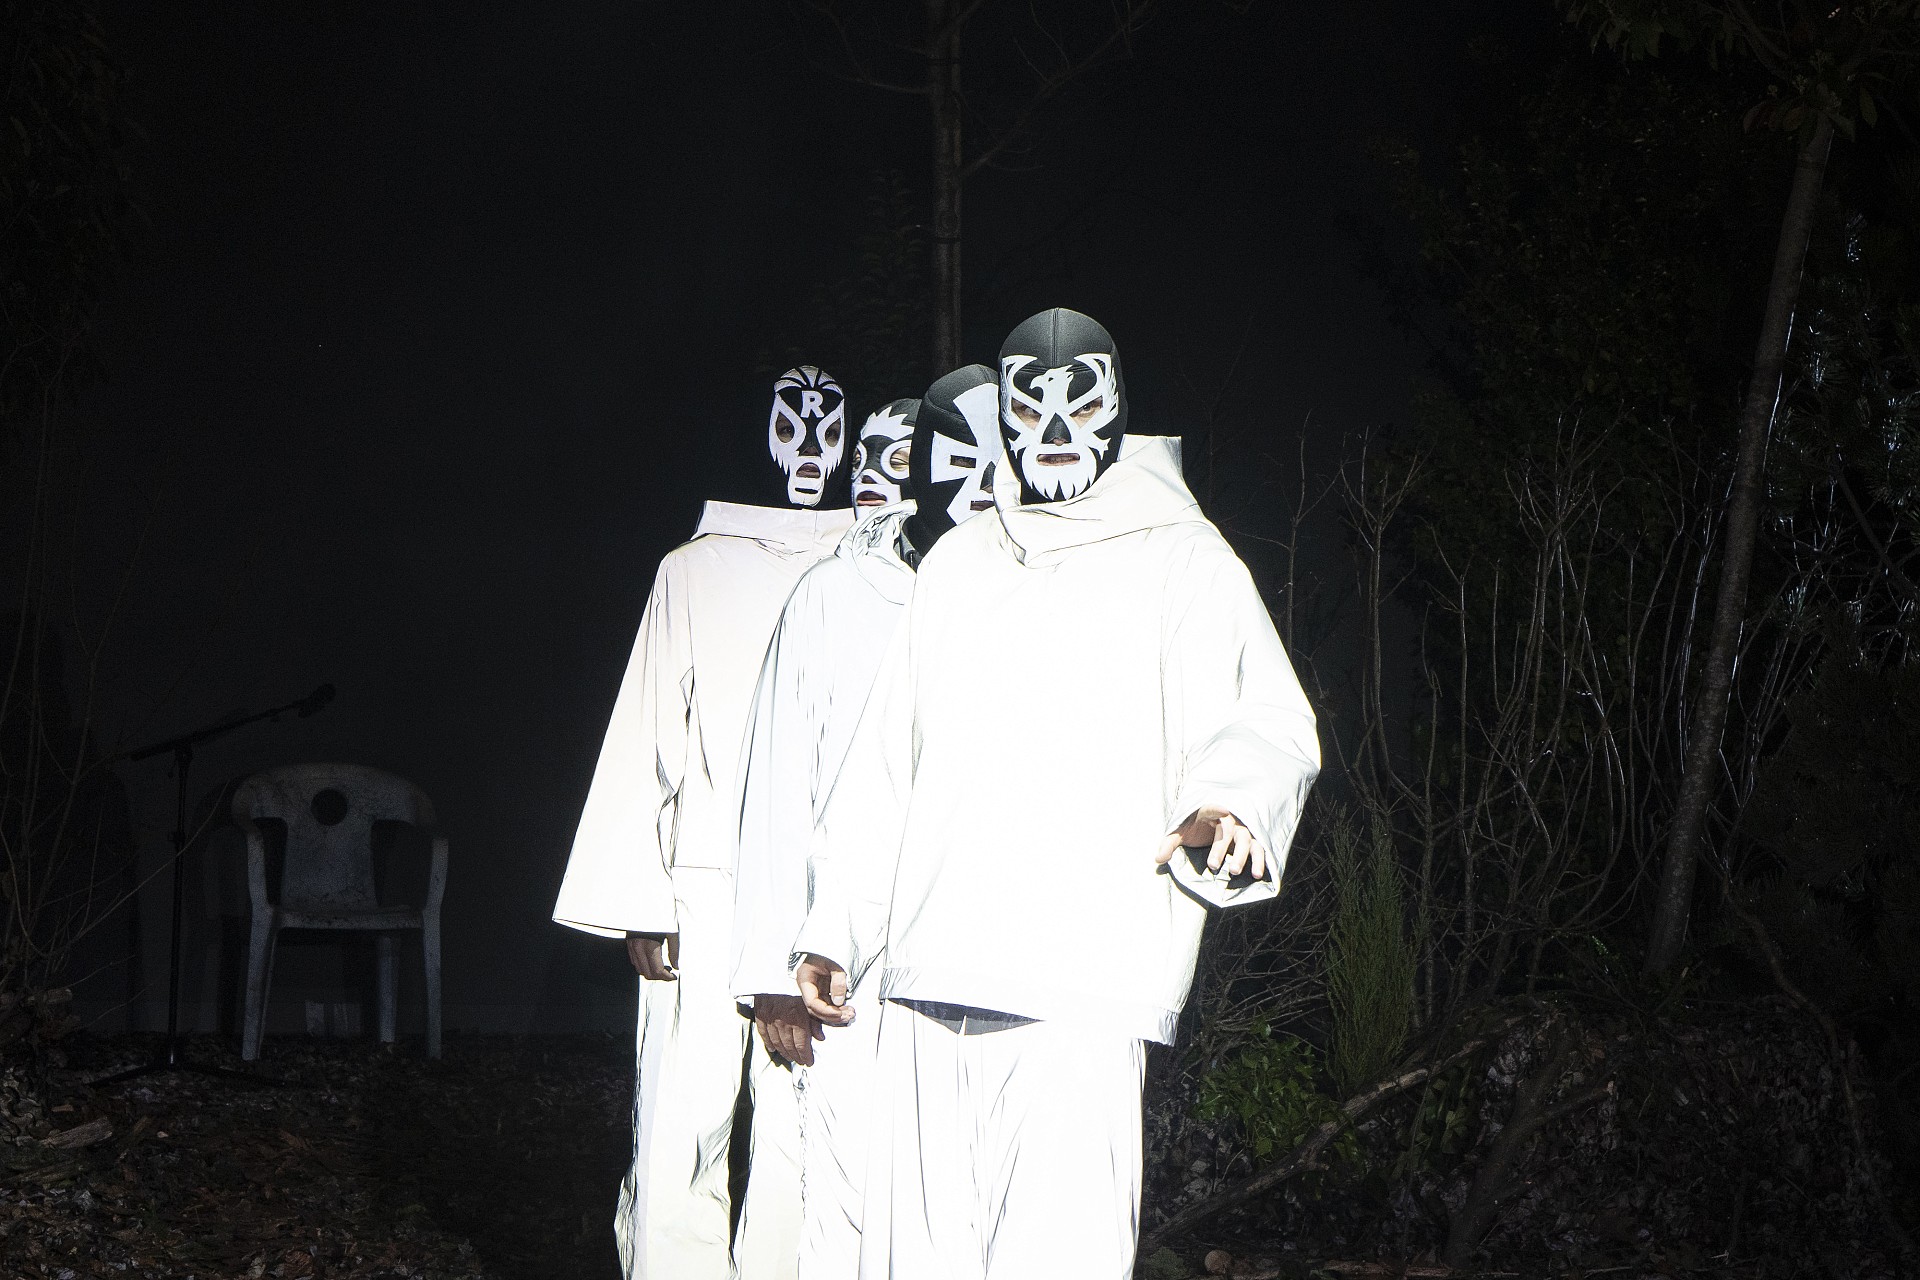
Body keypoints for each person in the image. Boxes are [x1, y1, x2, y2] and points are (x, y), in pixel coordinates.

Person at [794, 309, 1321, 1279]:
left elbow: (1261, 711)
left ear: (1117, 408)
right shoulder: (959, 562)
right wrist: (836, 927)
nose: (1055, 428)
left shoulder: (1181, 556)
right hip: (929, 974)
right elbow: (884, 762)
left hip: (1078, 989)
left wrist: (1229, 803)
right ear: (1003, 417)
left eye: (1080, 402)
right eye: (1030, 406)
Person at [552, 365, 855, 1280]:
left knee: (802, 1124)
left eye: (829, 426)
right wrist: (640, 898)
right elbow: (648, 726)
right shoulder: (692, 571)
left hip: (815, 890)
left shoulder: (870, 571)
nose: (812, 449)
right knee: (683, 1119)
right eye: (791, 425)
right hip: (704, 886)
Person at [730, 368, 1001, 1279]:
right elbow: (777, 787)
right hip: (837, 968)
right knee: (834, 1210)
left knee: (955, 1218)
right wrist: (771, 972)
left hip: (972, 968)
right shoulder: (833, 596)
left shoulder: (1018, 589)